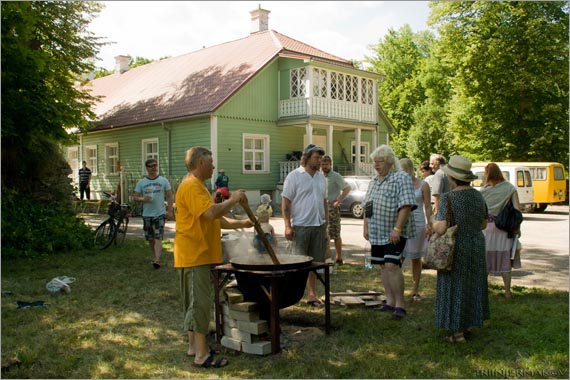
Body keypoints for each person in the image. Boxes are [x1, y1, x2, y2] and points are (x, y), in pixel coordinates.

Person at [173, 147, 253, 368]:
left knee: (194, 303)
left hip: (199, 254)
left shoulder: (198, 186)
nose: (214, 166)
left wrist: (244, 224)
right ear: (200, 163)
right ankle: (201, 355)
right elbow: (211, 213)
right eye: (211, 162)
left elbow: (216, 219)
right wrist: (235, 199)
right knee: (199, 304)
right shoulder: (191, 186)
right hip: (194, 254)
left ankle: (193, 347)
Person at [432, 155, 489, 343]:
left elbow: (440, 228)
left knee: (454, 286)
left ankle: (456, 333)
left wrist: (432, 223)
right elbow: (483, 224)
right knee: (473, 284)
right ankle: (468, 324)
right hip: (476, 245)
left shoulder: (449, 198)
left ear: (452, 177)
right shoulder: (478, 196)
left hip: (456, 246)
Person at [362, 145, 415, 320]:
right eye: (375, 162)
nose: (377, 165)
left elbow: (406, 205)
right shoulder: (374, 181)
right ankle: (389, 301)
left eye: (380, 161)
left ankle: (400, 304)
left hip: (394, 232)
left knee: (392, 265)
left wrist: (397, 229)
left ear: (390, 161)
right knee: (383, 266)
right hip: (377, 231)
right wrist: (366, 226)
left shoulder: (401, 178)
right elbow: (367, 206)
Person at [282, 143, 328, 306]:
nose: (320, 161)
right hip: (301, 226)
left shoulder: (321, 177)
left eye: (321, 158)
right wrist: (287, 226)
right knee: (298, 262)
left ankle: (311, 294)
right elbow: (286, 201)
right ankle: (292, 294)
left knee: (314, 263)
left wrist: (326, 226)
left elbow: (324, 202)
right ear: (307, 158)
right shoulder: (294, 176)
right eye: (317, 157)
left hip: (319, 225)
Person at [480, 162, 522, 299]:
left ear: (488, 174)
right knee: (505, 259)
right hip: (504, 228)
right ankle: (507, 291)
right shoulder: (510, 188)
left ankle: (483, 292)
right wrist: (517, 228)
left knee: (485, 260)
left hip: (486, 227)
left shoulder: (484, 191)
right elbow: (517, 210)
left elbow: (480, 211)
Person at [400, 158, 433, 302]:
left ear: (411, 169)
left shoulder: (423, 185)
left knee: (415, 258)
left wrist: (429, 223)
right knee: (398, 256)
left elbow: (427, 206)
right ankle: (397, 288)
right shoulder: (399, 185)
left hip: (418, 222)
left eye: (405, 170)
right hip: (402, 222)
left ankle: (415, 289)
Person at [133, 159, 174, 269]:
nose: (154, 167)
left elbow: (169, 195)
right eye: (151, 166)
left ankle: (157, 260)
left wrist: (169, 211)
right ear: (147, 168)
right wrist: (143, 199)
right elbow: (135, 196)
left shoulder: (163, 180)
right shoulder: (142, 182)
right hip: (147, 214)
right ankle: (154, 255)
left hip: (160, 213)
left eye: (155, 165)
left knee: (158, 236)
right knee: (150, 238)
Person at [320, 155, 351, 265]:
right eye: (322, 164)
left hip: (332, 209)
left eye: (326, 164)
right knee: (323, 234)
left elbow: (347, 188)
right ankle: (325, 257)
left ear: (330, 165)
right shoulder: (319, 176)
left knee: (335, 233)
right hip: (320, 209)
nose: (324, 166)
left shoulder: (336, 176)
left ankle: (339, 258)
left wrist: (338, 200)